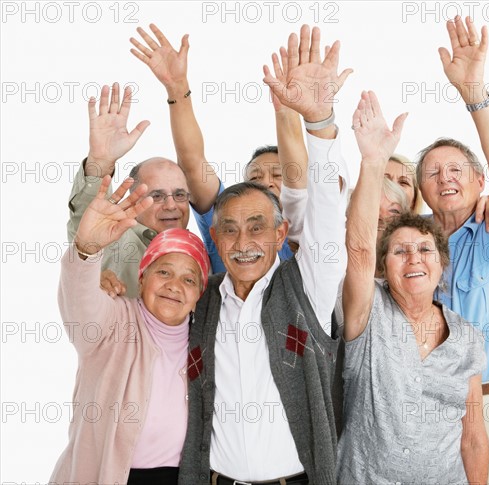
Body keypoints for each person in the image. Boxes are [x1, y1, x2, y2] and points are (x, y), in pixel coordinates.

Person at [177, 25, 351, 485]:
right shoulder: (202, 301)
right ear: (215, 237)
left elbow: (327, 217)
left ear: (281, 234)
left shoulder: (306, 289)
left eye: (257, 227)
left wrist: (319, 124)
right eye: (229, 230)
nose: (243, 241)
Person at [340, 90, 488, 484]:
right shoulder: (367, 313)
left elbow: (473, 439)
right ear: (383, 267)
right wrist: (373, 161)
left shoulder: (467, 337)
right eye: (399, 251)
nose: (414, 259)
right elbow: (357, 250)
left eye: (425, 249)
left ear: (441, 263)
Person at [416, 16, 489, 483]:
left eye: (456, 170)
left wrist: (474, 95)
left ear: (479, 180)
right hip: (423, 407)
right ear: (420, 190)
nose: (444, 178)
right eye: (432, 172)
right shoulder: (407, 248)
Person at [50, 176, 209, 484]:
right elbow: (78, 297)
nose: (174, 286)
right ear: (142, 278)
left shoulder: (204, 340)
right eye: (163, 271)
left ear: (199, 295)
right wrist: (87, 249)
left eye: (189, 279)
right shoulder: (113, 321)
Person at [130, 24, 309, 274]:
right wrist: (177, 88)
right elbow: (193, 164)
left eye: (279, 176)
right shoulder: (225, 232)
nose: (266, 183)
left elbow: (299, 175)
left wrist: (288, 111)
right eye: (255, 178)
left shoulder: (312, 244)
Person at [67, 82, 192, 297]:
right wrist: (101, 161)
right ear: (134, 201)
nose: (171, 205)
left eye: (179, 194)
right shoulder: (115, 241)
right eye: (157, 196)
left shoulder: (199, 253)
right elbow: (89, 219)